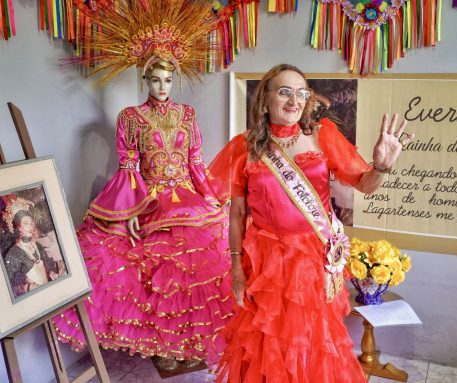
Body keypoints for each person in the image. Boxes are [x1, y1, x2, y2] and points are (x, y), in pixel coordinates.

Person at [52, 0, 233, 370]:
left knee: (198, 272)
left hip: (188, 196)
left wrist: (211, 197)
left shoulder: (188, 114)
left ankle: (194, 342)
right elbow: (128, 167)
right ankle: (165, 347)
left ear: (175, 78)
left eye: (168, 80)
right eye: (155, 79)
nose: (162, 86)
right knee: (156, 277)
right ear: (144, 79)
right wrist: (126, 210)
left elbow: (196, 160)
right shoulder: (131, 117)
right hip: (151, 200)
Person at [209, 63, 414, 382]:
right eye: (284, 92)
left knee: (312, 339)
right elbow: (236, 214)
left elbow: (365, 185)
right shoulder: (243, 147)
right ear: (265, 99)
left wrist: (382, 167)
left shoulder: (323, 137)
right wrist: (236, 267)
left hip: (312, 260)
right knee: (266, 339)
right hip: (264, 261)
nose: (294, 101)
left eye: (302, 93)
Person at [4, 210, 60, 297]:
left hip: (48, 292)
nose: (30, 226)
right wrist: (29, 287)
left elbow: (46, 265)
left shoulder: (37, 245)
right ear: (18, 227)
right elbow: (10, 286)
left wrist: (51, 273)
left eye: (31, 223)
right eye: (26, 223)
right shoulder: (13, 253)